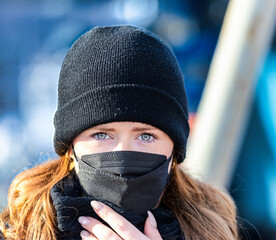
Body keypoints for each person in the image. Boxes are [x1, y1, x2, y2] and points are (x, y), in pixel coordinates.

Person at [0, 25, 239, 240]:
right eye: (102, 134)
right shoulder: (21, 231)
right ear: (70, 148)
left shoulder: (212, 230)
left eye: (145, 136)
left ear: (174, 150)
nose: (123, 153)